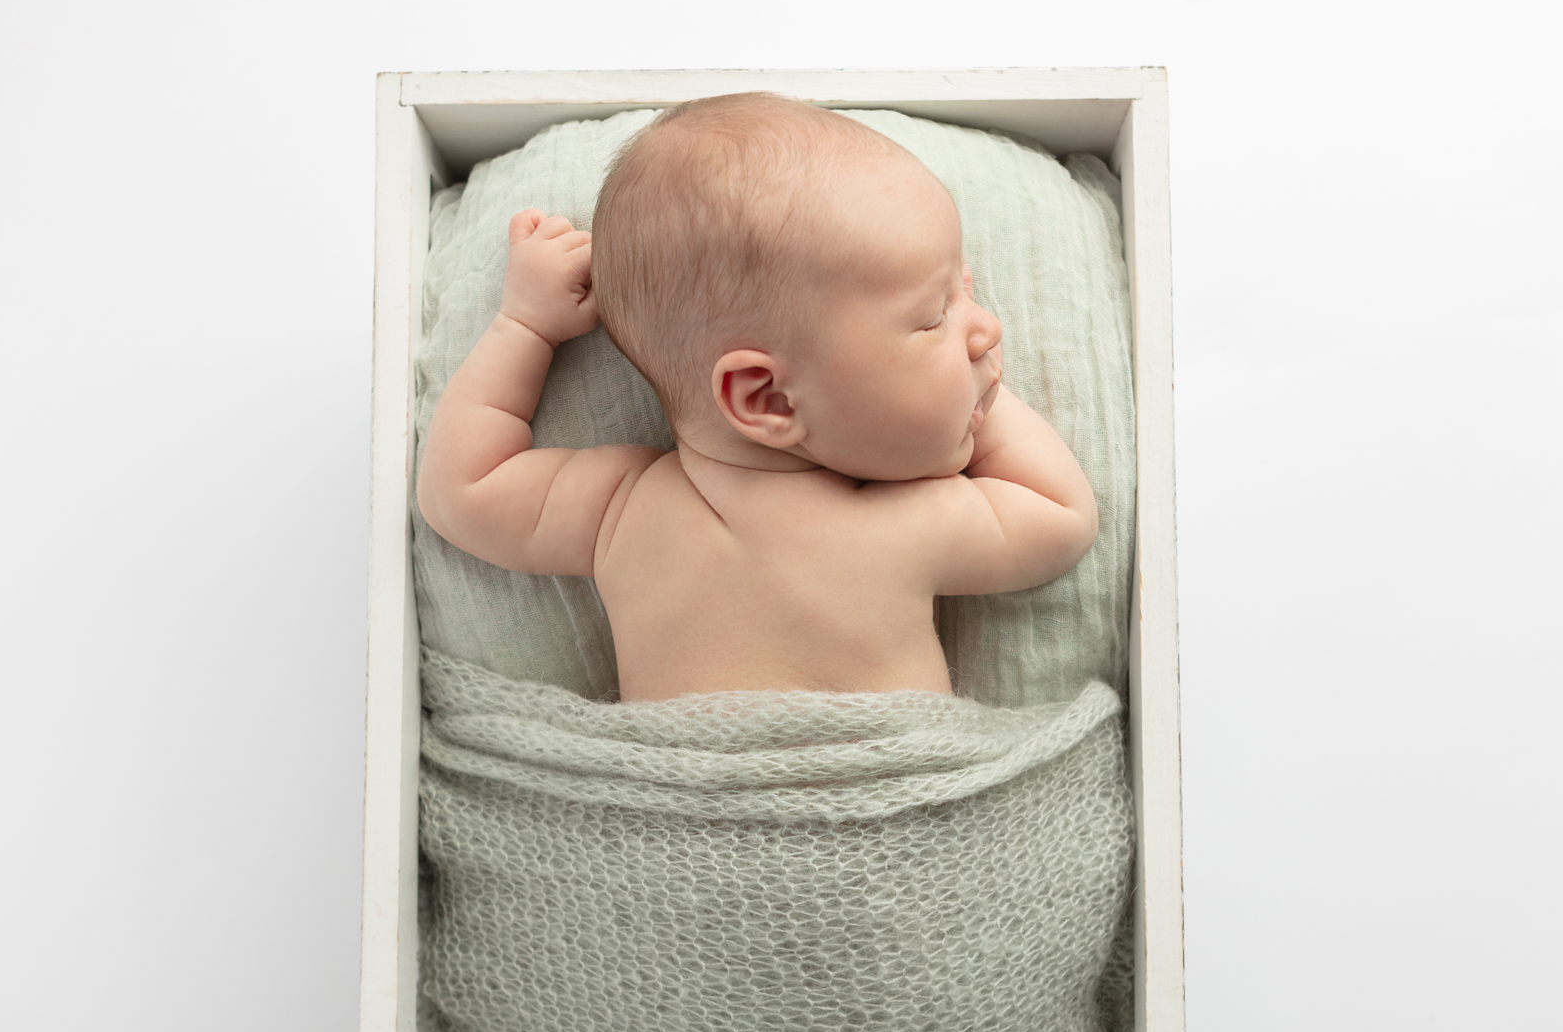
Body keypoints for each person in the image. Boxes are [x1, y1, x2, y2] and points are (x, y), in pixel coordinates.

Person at [415, 93, 1097, 702]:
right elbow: (1056, 511)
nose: (987, 329)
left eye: (967, 293)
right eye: (932, 317)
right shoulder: (906, 523)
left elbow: (466, 485)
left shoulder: (620, 512)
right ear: (766, 398)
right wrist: (524, 326)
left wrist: (524, 326)